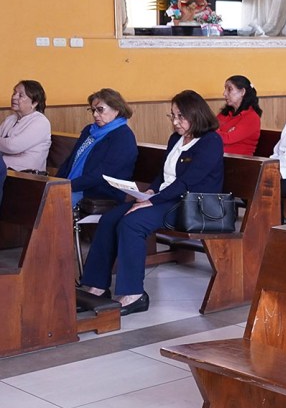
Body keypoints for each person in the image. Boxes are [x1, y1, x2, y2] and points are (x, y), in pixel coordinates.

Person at [77, 91, 224, 316]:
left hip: (193, 205)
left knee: (132, 223)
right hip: (165, 199)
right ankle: (96, 286)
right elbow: (163, 175)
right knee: (110, 218)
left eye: (180, 116)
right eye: (172, 115)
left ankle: (134, 294)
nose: (175, 122)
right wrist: (150, 191)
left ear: (196, 114)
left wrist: (152, 200)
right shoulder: (175, 139)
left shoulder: (211, 141)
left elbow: (187, 182)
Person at [57, 88, 138, 206]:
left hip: (100, 193)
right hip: (73, 186)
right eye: (93, 110)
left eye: (100, 109)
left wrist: (68, 186)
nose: (95, 114)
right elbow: (71, 161)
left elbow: (103, 174)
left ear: (116, 109)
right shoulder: (89, 130)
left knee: (53, 203)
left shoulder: (123, 136)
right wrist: (55, 182)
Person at [0, 80, 51, 173]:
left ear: (34, 103)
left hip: (27, 175)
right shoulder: (10, 119)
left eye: (20, 95)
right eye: (14, 93)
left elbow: (12, 146)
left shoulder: (40, 122)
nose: (14, 97)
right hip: (6, 171)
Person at [216, 75, 262, 156]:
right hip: (219, 156)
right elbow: (210, 128)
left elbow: (228, 139)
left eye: (229, 89)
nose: (224, 93)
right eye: (225, 89)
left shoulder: (252, 117)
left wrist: (216, 132)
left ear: (242, 92)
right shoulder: (225, 113)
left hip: (238, 161)